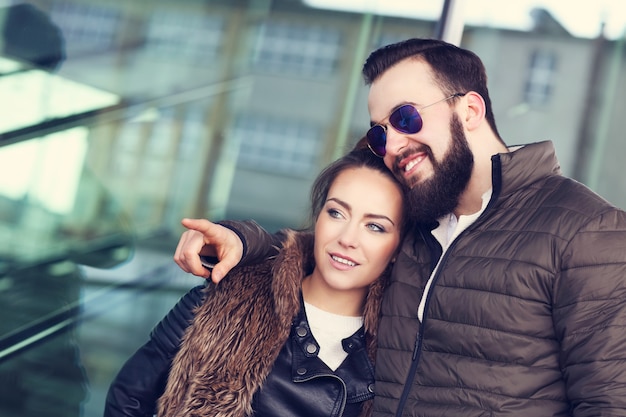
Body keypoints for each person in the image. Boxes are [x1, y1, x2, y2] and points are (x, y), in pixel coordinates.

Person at [173, 38, 626, 416]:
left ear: (470, 110)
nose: (392, 144)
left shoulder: (586, 230)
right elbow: (329, 246)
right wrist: (236, 237)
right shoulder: (418, 221)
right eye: (379, 132)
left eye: (406, 117)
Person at [104, 144, 408, 417]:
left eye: (375, 227)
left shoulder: (398, 350)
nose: (347, 239)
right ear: (319, 218)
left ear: (397, 248)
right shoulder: (227, 301)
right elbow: (129, 400)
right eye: (337, 213)